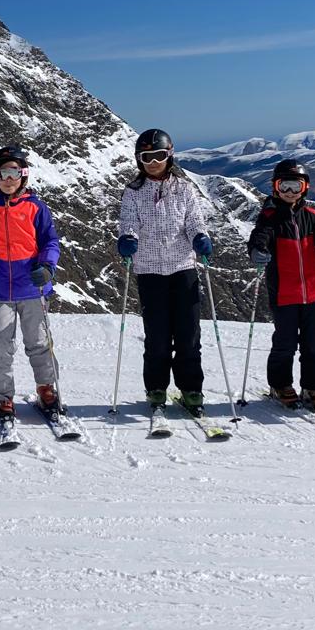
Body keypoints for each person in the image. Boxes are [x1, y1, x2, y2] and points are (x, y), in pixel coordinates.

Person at [0, 145, 62, 430]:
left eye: (14, 173)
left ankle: (47, 388)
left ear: (23, 176)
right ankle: (3, 398)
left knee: (39, 343)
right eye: (3, 173)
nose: (9, 179)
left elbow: (50, 241)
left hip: (32, 287)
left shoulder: (36, 208)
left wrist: (47, 266)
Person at [117, 129, 212, 417]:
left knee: (188, 334)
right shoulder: (133, 192)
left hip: (183, 269)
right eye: (146, 157)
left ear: (169, 155)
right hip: (149, 271)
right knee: (157, 336)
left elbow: (194, 220)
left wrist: (200, 237)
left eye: (158, 155)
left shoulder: (184, 188)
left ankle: (191, 388)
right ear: (139, 160)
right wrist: (128, 238)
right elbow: (128, 222)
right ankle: (156, 387)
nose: (153, 162)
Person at [247, 158, 315, 412]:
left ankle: (314, 387)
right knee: (285, 343)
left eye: (296, 186)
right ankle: (280, 385)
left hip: (313, 291)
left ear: (305, 188)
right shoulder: (270, 217)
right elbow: (259, 236)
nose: (290, 192)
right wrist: (257, 250)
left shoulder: (312, 216)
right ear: (275, 187)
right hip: (284, 292)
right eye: (285, 186)